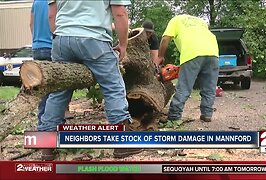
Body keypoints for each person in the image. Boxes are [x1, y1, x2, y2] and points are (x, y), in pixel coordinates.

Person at [39, 0, 142, 160]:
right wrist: (123, 45)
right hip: (94, 39)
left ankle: (47, 148)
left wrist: (62, 37)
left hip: (61, 40)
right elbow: (120, 13)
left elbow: (51, 15)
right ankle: (123, 144)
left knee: (59, 92)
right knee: (113, 86)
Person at [155, 14, 219, 123]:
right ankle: (207, 114)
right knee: (209, 87)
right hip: (213, 53)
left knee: (184, 87)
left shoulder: (175, 20)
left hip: (192, 53)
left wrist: (160, 56)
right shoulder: (201, 21)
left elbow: (165, 39)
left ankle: (174, 116)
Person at [30, 0, 72, 132]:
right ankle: (54, 125)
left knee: (43, 89)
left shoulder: (36, 2)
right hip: (53, 45)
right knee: (58, 88)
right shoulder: (57, 1)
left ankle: (42, 123)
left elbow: (31, 24)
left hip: (37, 47)